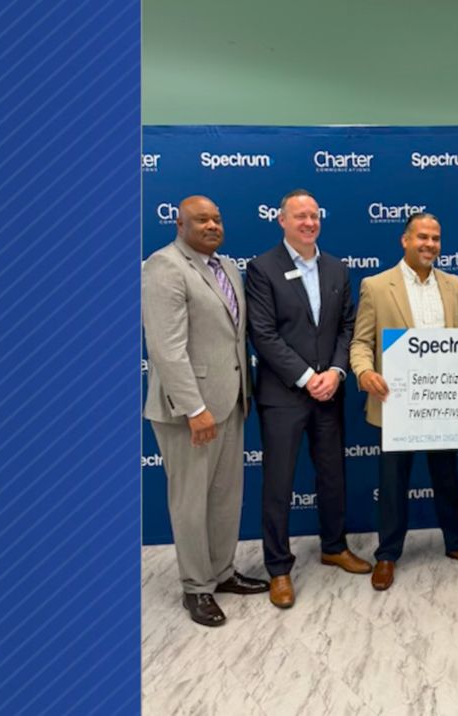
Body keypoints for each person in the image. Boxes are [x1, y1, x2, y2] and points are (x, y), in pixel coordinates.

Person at [142, 195, 269, 627]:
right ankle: (196, 588)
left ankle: (222, 571)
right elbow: (166, 348)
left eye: (217, 218)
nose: (212, 225)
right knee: (191, 501)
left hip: (231, 401)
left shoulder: (228, 268)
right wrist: (194, 409)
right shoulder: (164, 266)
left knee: (224, 496)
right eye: (202, 219)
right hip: (190, 410)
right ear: (179, 224)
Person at [350, 212, 458, 591]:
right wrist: (364, 373)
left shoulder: (453, 284)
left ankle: (457, 544)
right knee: (393, 481)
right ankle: (387, 555)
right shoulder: (376, 285)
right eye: (422, 238)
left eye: (436, 238)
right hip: (395, 402)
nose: (430, 244)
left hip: (441, 401)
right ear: (405, 240)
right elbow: (361, 342)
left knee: (447, 476)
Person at [245, 188, 370, 609]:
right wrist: (305, 377)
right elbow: (262, 333)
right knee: (278, 483)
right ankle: (278, 568)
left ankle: (334, 546)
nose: (308, 223)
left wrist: (335, 372)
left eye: (314, 216)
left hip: (330, 391)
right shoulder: (262, 268)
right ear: (281, 220)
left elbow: (346, 328)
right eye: (299, 216)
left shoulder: (337, 269)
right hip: (284, 395)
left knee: (333, 475)